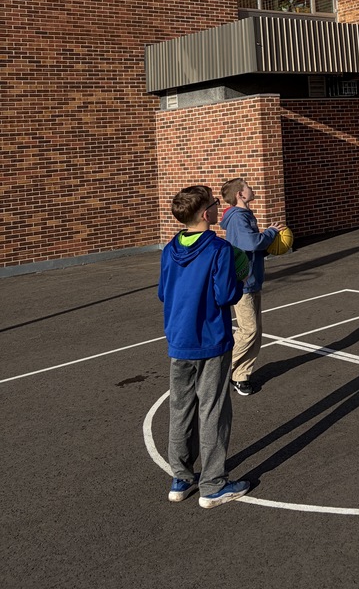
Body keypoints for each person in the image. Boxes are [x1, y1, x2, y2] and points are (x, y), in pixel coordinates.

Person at [158, 185, 251, 509]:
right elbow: (227, 296)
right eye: (213, 203)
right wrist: (242, 276)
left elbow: (162, 293)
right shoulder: (219, 250)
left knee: (180, 408)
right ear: (204, 214)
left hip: (179, 339)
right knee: (212, 409)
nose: (215, 207)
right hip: (211, 340)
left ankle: (181, 478)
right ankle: (213, 485)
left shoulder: (170, 249)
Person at [220, 177, 283, 396]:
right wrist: (271, 234)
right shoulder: (238, 218)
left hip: (253, 279)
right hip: (244, 282)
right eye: (247, 186)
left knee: (255, 332)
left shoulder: (245, 214)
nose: (251, 188)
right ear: (240, 194)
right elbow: (251, 242)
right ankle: (220, 364)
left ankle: (240, 375)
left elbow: (249, 247)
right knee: (249, 330)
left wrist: (267, 247)